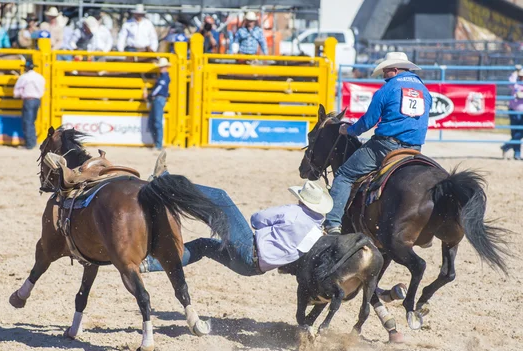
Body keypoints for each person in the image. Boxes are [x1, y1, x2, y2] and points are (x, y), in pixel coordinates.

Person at [323, 52, 432, 235]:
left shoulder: (388, 89)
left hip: (386, 147)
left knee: (344, 175)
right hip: (414, 150)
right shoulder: (424, 91)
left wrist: (348, 130)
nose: (383, 76)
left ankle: (332, 223)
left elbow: (368, 121)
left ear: (395, 70)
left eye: (385, 71)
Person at [141, 177, 333, 276]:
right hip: (251, 269)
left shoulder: (293, 212)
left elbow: (256, 219)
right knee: (202, 246)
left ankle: (166, 184)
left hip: (248, 248)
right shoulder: (316, 231)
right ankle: (149, 265)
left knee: (220, 197)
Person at [13, 60, 46, 150]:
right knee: (32, 121)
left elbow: (16, 92)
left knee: (27, 121)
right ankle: (32, 141)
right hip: (37, 99)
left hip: (28, 100)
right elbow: (43, 89)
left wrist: (19, 94)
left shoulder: (24, 77)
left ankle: (29, 144)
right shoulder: (40, 77)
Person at [145, 58, 170, 150]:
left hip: (158, 99)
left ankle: (158, 144)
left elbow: (159, 88)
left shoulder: (164, 77)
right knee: (154, 121)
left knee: (157, 122)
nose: (161, 69)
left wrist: (150, 95)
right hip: (158, 99)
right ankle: (157, 143)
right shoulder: (163, 77)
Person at [501, 66, 523, 160]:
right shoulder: (516, 84)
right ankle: (517, 154)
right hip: (514, 111)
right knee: (515, 133)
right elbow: (510, 82)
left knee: (520, 133)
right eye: (521, 76)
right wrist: (515, 72)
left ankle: (506, 146)